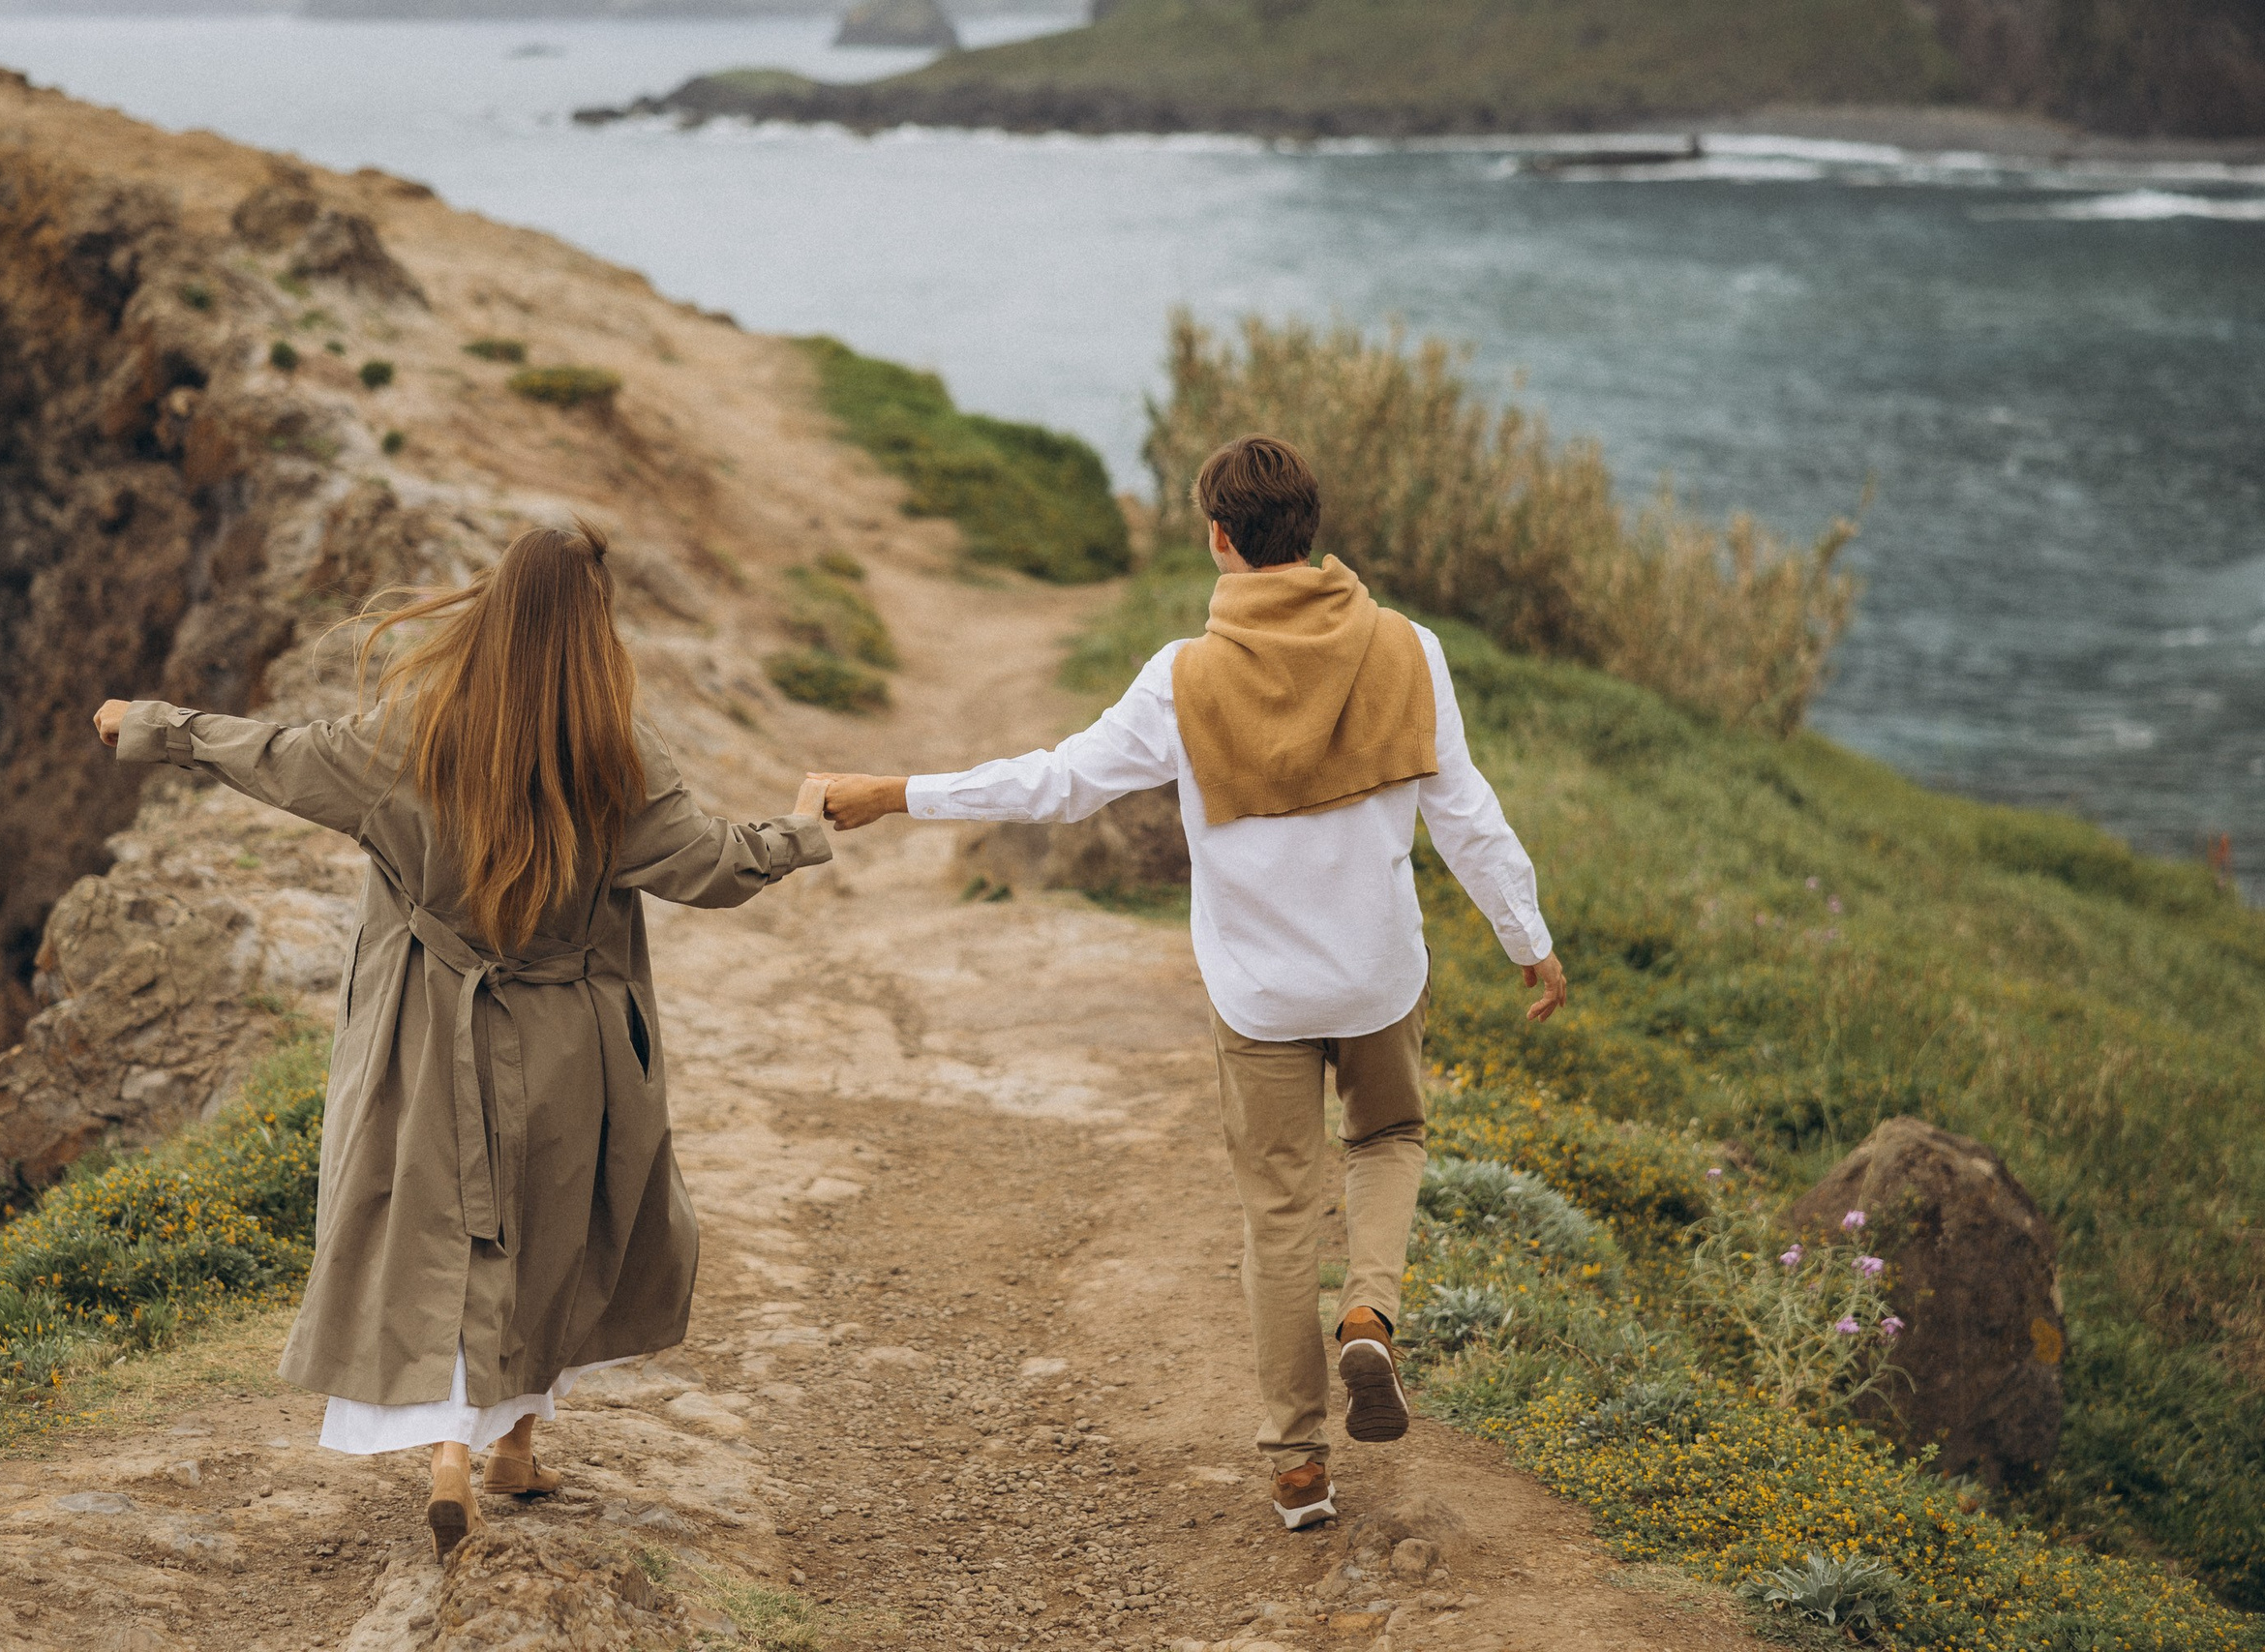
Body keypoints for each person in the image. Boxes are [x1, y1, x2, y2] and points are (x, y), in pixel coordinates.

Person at [817, 436, 1566, 1531]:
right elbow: (1467, 816)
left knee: (1274, 1213)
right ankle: (1369, 1311)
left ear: (1219, 539)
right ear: (1308, 528)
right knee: (1389, 1141)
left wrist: (893, 792)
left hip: (1259, 998)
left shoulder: (1184, 678)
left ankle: (1298, 1467)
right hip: (1377, 980)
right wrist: (1526, 937)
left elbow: (1058, 784)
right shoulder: (1410, 649)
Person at [92, 522, 832, 1558]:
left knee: (449, 1236)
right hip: (570, 1042)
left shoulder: (412, 733)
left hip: (426, 1029)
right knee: (552, 1238)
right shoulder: (619, 754)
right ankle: (510, 1448)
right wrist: (804, 826)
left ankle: (456, 1452)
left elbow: (276, 756)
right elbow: (714, 867)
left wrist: (154, 725)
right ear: (593, 630)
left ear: (491, 606)